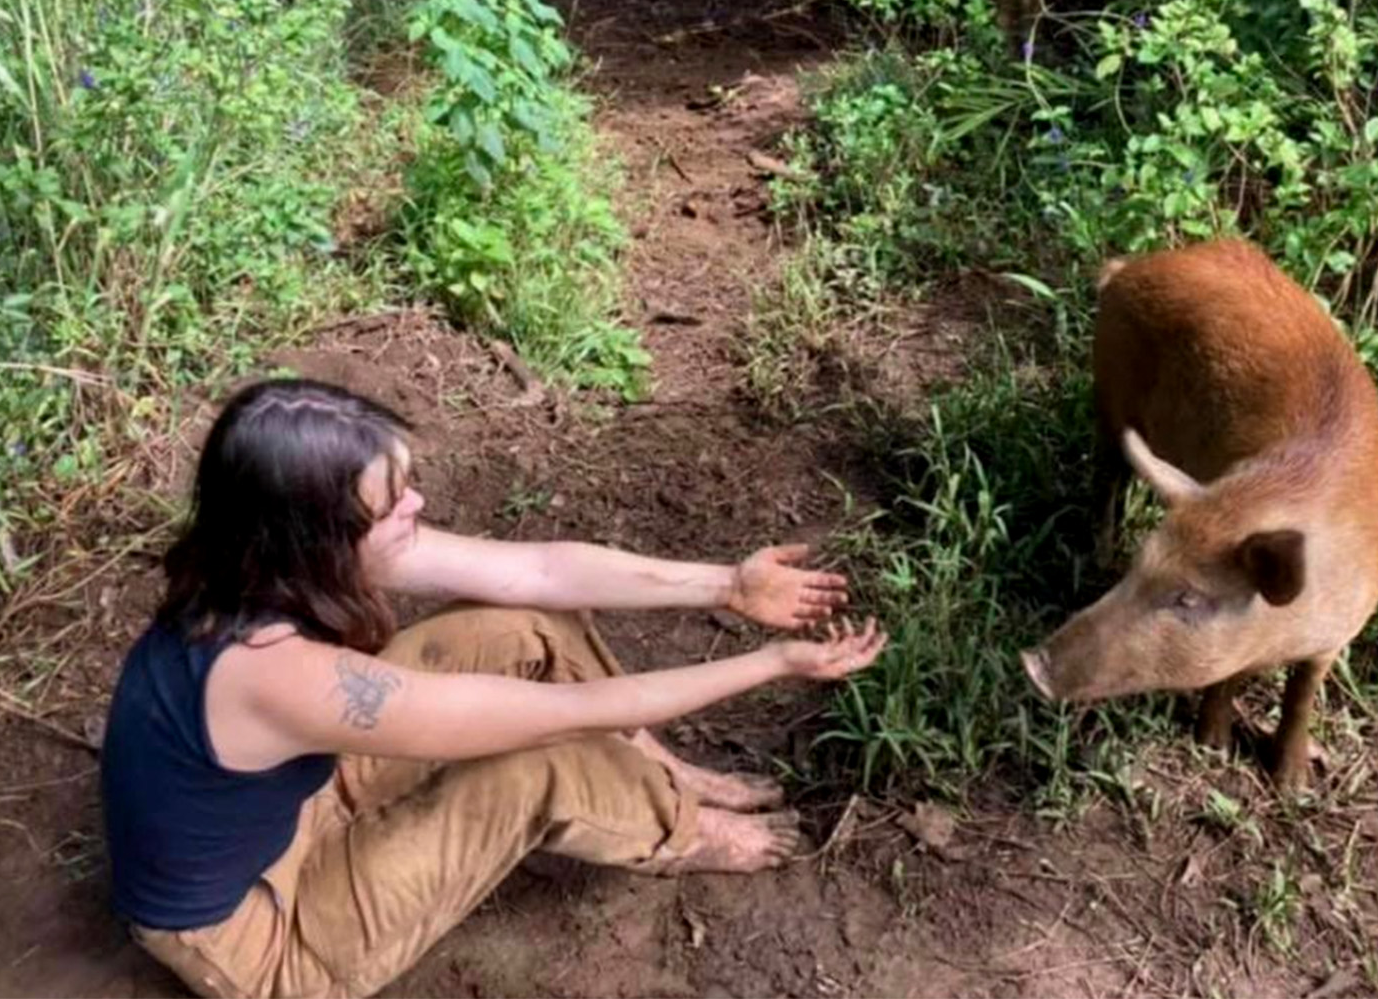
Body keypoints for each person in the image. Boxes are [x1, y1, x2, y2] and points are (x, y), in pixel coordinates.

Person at [100, 378, 888, 999]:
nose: (417, 507)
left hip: (288, 806)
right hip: (263, 938)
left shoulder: (262, 558)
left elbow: (537, 572)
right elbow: (559, 718)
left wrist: (727, 586)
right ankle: (686, 831)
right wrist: (769, 663)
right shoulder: (270, 672)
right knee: (533, 766)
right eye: (392, 503)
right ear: (321, 535)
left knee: (527, 623)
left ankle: (668, 773)